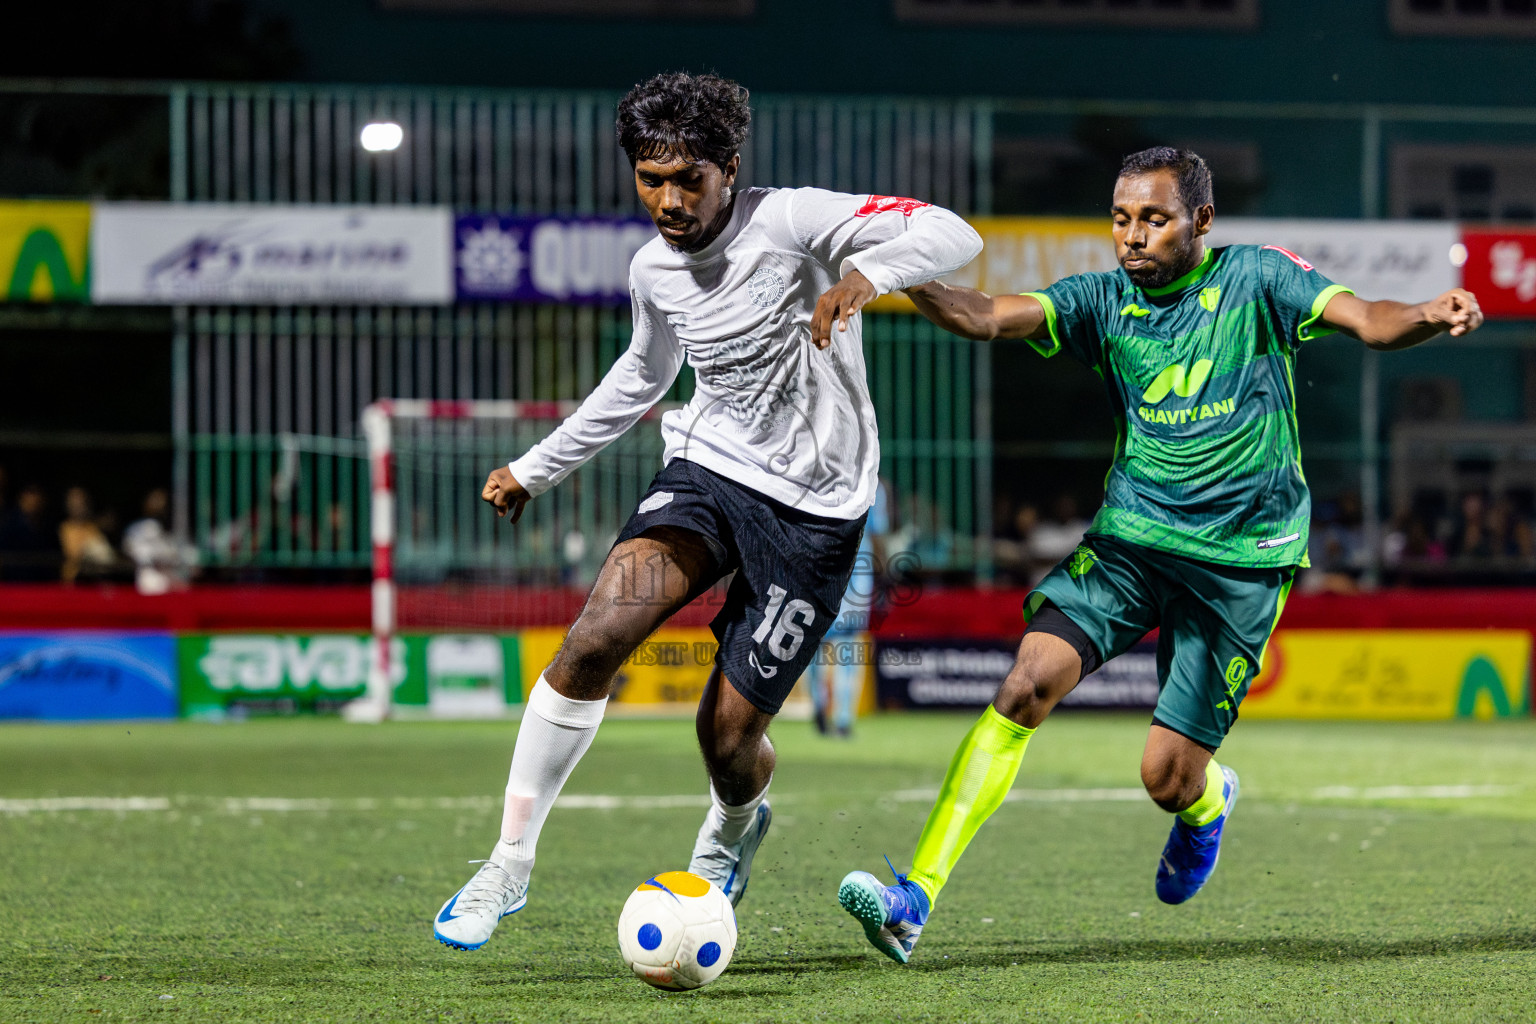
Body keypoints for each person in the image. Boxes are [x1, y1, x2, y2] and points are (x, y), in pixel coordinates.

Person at [838, 146, 1484, 963]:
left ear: (1201, 222)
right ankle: (913, 899)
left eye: (1153, 218)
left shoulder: (1257, 278)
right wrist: (892, 276)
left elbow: (1368, 320)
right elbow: (986, 314)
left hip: (1243, 559)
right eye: (1121, 219)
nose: (1132, 237)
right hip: (1134, 539)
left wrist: (1428, 313)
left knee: (1166, 778)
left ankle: (1207, 803)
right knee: (1023, 686)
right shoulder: (1100, 299)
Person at [432, 71, 982, 951]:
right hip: (708, 474)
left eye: (690, 178)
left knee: (727, 736)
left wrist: (864, 277)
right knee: (595, 637)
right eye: (652, 179)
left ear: (730, 168)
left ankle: (732, 831)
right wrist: (538, 467)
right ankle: (506, 865)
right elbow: (644, 377)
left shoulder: (795, 219)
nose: (669, 199)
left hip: (815, 513)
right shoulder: (652, 269)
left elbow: (953, 231)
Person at [805, 477, 890, 737]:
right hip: (856, 573)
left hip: (820, 567)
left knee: (814, 642)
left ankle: (820, 705)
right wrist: (886, 577)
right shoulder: (871, 482)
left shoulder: (818, 474)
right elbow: (877, 535)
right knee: (849, 647)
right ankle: (843, 718)